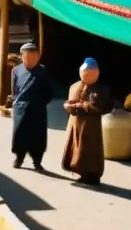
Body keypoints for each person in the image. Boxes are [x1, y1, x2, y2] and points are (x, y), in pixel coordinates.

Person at [62, 57, 113, 186]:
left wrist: (82, 105)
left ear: (97, 74)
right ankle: (81, 173)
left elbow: (101, 107)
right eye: (85, 74)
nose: (87, 76)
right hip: (75, 123)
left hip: (91, 126)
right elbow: (70, 101)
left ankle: (92, 176)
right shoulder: (75, 86)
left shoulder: (101, 90)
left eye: (91, 74)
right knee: (76, 148)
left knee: (90, 150)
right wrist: (70, 106)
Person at [9, 42, 51, 170]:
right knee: (19, 134)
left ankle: (37, 161)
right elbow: (14, 90)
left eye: (35, 55)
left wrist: (39, 103)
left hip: (37, 108)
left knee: (38, 136)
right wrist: (17, 102)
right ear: (22, 56)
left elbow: (48, 92)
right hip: (20, 108)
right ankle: (19, 158)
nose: (32, 58)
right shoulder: (16, 70)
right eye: (29, 55)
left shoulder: (42, 71)